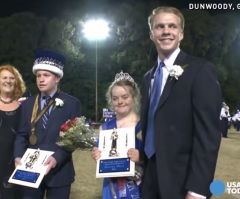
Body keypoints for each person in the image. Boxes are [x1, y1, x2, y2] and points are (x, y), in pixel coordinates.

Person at [140, 6, 222, 199]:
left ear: (181, 34)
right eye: (159, 27)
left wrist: (198, 190)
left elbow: (208, 137)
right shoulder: (148, 77)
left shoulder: (201, 71)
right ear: (152, 35)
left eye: (172, 26)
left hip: (182, 182)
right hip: (150, 180)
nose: (166, 31)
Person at [14, 50, 81, 199]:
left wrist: (57, 157)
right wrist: (18, 156)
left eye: (46, 75)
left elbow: (72, 139)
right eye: (38, 76)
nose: (41, 80)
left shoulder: (71, 103)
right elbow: (22, 135)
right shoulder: (28, 104)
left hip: (59, 173)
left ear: (57, 78)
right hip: (31, 170)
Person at [91, 71, 143, 199]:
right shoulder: (105, 127)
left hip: (137, 186)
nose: (120, 102)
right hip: (111, 186)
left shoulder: (143, 126)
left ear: (134, 97)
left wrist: (141, 157)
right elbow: (102, 159)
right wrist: (96, 155)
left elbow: (157, 159)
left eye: (125, 97)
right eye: (115, 98)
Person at [0, 64, 26, 199]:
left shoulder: (24, 106)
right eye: (4, 77)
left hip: (16, 161)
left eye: (12, 78)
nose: (8, 81)